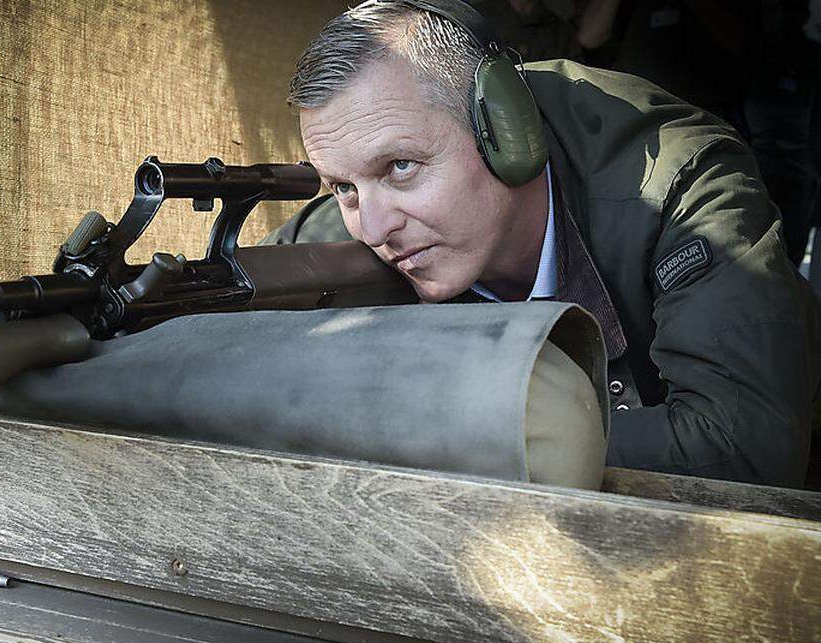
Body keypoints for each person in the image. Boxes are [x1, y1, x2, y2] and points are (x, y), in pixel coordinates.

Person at [261, 0, 821, 487]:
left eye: (401, 166)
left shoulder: (679, 184)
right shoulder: (368, 212)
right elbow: (236, 302)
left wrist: (440, 432)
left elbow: (741, 450)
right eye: (343, 187)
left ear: (508, 132)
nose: (374, 229)